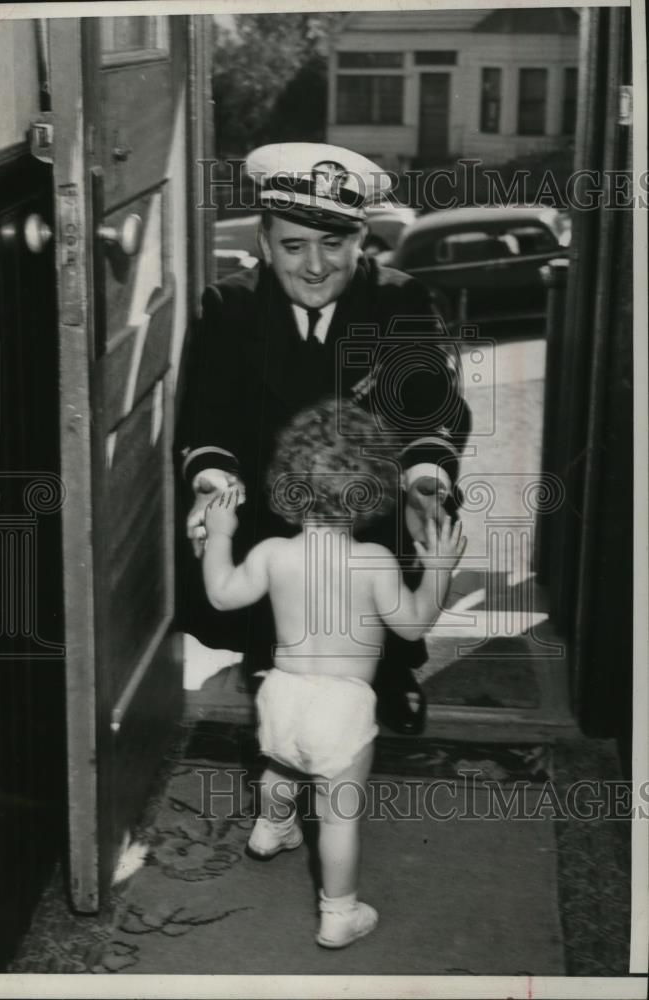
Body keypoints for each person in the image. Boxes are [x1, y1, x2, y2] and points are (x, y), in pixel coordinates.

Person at [176, 142, 472, 732]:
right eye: (293, 246)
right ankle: (268, 658)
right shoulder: (229, 307)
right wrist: (212, 481)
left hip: (374, 509)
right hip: (269, 504)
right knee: (262, 549)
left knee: (396, 538)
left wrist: (425, 478)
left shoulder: (400, 301)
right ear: (262, 244)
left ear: (362, 239)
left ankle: (391, 671)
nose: (315, 266)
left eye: (333, 243)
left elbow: (432, 409)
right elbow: (206, 421)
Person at [201, 399, 467, 947]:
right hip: (342, 706)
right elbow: (414, 627)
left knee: (283, 763)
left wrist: (220, 533)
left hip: (280, 694)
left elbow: (222, 594)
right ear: (372, 493)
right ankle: (338, 912)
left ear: (287, 485)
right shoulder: (374, 561)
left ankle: (273, 827)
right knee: (338, 813)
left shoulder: (273, 552)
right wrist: (438, 570)